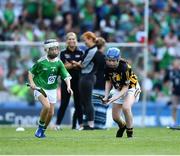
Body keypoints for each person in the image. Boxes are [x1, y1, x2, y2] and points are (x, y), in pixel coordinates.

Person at [28, 39, 73, 138]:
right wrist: (32, 83)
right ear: (47, 50)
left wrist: (69, 86)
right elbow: (31, 72)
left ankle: (42, 131)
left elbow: (66, 76)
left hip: (52, 89)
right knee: (47, 106)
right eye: (52, 49)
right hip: (40, 87)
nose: (55, 51)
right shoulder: (41, 62)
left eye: (56, 49)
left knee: (51, 113)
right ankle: (40, 127)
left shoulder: (59, 63)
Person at [103, 47, 141, 138]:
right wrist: (106, 96)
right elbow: (108, 82)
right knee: (115, 117)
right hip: (118, 88)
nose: (111, 63)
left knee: (126, 107)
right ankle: (123, 126)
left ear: (118, 59)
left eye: (113, 61)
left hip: (131, 88)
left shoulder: (125, 67)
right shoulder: (106, 66)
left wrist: (114, 98)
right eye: (109, 60)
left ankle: (129, 133)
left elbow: (125, 87)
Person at [55, 32, 84, 130]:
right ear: (66, 41)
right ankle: (57, 125)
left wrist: (72, 64)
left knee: (78, 103)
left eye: (73, 39)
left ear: (76, 40)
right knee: (64, 103)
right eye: (69, 39)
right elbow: (64, 67)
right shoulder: (63, 53)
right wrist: (76, 64)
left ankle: (80, 125)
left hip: (78, 81)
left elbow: (82, 66)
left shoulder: (81, 52)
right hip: (66, 81)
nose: (72, 41)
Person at [79, 31, 103, 130]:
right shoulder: (90, 50)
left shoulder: (93, 51)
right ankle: (87, 123)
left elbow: (83, 64)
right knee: (84, 101)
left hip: (88, 77)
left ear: (90, 39)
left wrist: (74, 64)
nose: (84, 42)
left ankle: (90, 124)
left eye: (85, 40)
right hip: (86, 77)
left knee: (88, 101)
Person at [164, 59, 180, 127]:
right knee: (174, 107)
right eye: (175, 63)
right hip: (174, 92)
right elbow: (165, 81)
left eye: (177, 63)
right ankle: (173, 122)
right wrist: (169, 88)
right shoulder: (170, 72)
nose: (176, 65)